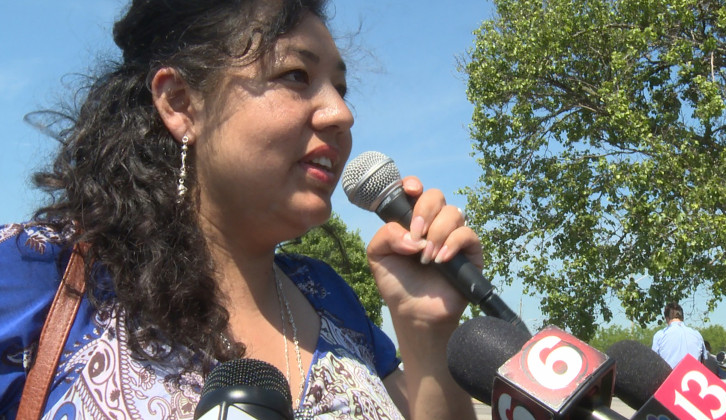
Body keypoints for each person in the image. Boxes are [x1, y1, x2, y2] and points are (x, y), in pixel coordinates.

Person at [0, 1, 479, 419]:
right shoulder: (39, 272)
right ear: (181, 103)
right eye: (296, 75)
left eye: (341, 88)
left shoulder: (332, 299)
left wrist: (426, 334)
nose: (341, 113)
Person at [651, 302, 708, 368]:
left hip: (669, 377)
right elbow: (703, 362)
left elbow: (654, 364)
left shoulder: (660, 336)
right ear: (682, 318)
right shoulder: (697, 335)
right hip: (692, 376)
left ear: (666, 318)